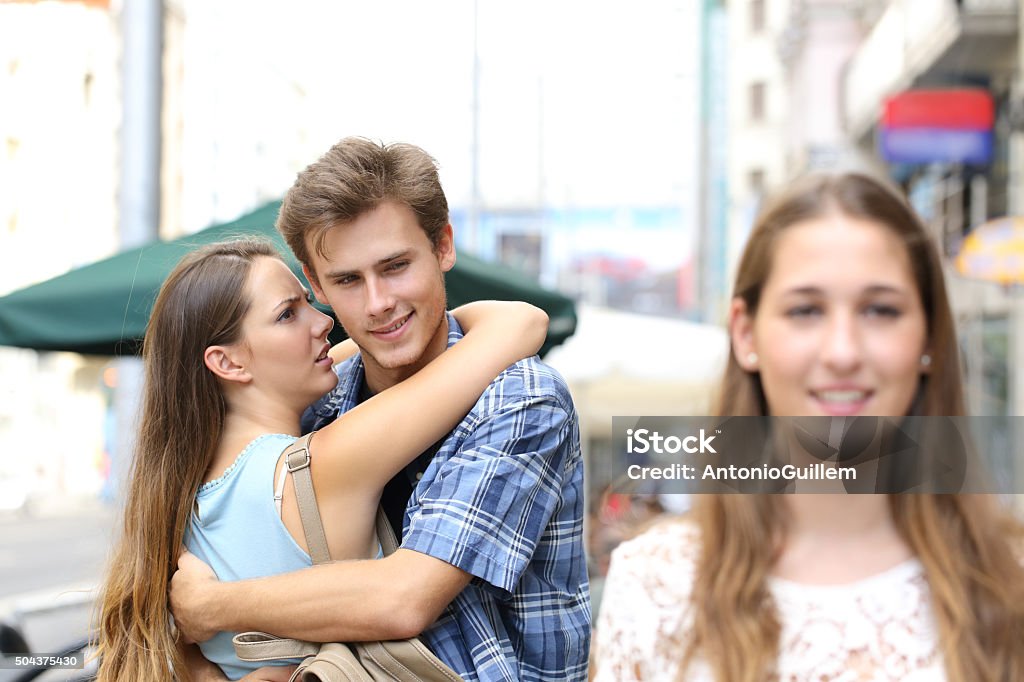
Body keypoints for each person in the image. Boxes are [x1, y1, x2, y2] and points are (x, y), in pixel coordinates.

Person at [169, 138, 591, 681]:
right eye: (347, 280)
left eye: (395, 267)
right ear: (314, 283)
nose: (377, 303)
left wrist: (212, 607)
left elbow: (407, 598)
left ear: (443, 246)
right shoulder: (318, 400)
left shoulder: (521, 398)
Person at [593, 172, 1024, 681]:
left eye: (880, 310)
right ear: (746, 333)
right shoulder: (656, 585)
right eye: (806, 311)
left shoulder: (1009, 579)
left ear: (928, 333)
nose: (842, 351)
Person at [94, 237, 549, 681]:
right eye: (288, 314)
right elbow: (520, 324)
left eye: (309, 302)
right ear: (228, 364)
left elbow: (349, 351)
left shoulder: (181, 504)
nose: (323, 322)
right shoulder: (323, 463)